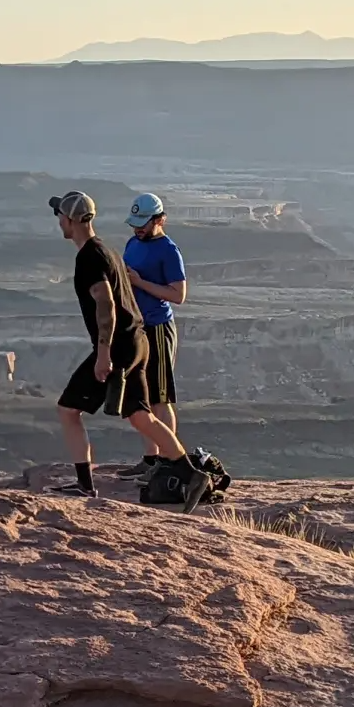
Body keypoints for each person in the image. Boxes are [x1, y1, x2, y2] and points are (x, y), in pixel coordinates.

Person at [46, 190, 218, 510]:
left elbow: (106, 306)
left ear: (69, 220)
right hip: (137, 340)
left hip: (120, 347)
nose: (58, 221)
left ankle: (84, 486)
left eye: (60, 216)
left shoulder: (89, 258)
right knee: (140, 415)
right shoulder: (109, 250)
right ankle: (192, 475)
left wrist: (103, 354)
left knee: (68, 410)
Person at [117, 192, 189, 479]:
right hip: (136, 328)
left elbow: (178, 295)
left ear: (159, 220)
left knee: (160, 398)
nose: (138, 228)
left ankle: (170, 461)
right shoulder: (133, 243)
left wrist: (140, 282)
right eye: (135, 223)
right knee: (142, 397)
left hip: (157, 328)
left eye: (143, 223)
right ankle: (150, 458)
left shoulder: (168, 251)